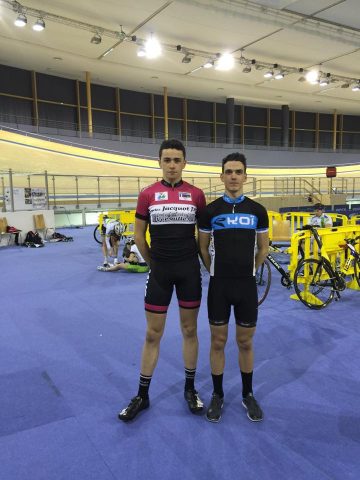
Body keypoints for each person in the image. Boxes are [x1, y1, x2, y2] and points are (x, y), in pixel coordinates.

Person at [118, 139, 206, 422]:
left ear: (184, 163)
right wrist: (154, 264)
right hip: (160, 272)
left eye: (176, 160)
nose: (171, 165)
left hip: (189, 270)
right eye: (167, 160)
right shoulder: (147, 195)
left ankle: (190, 389)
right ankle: (142, 395)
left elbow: (203, 238)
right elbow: (139, 236)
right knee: (152, 334)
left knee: (189, 330)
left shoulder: (197, 195)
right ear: (159, 162)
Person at [198, 152, 269, 423]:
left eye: (238, 172)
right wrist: (214, 271)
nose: (234, 176)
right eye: (229, 171)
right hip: (219, 285)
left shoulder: (257, 211)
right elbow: (203, 249)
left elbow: (263, 249)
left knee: (244, 342)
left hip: (246, 286)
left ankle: (247, 394)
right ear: (221, 176)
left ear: (246, 176)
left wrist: (249, 269)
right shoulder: (210, 211)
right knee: (217, 341)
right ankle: (217, 395)